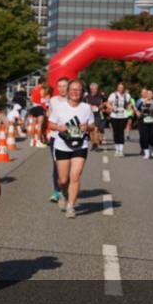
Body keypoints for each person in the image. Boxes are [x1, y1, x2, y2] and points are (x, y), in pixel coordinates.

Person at [47, 79, 94, 218]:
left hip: (80, 145)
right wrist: (59, 127)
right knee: (63, 180)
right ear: (68, 92)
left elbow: (92, 125)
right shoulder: (60, 107)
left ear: (82, 92)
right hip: (62, 145)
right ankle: (62, 193)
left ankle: (71, 206)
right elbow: (51, 124)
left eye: (78, 90)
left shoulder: (86, 107)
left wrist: (87, 127)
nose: (75, 92)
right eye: (72, 89)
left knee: (75, 176)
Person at [46, 77, 69, 202]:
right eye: (59, 86)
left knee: (68, 166)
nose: (61, 88)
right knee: (56, 165)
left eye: (64, 86)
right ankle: (56, 191)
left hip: (70, 139)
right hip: (55, 138)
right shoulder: (53, 100)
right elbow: (49, 115)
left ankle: (66, 189)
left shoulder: (73, 101)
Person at [107, 82, 133, 158]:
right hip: (114, 116)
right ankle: (117, 150)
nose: (121, 89)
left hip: (123, 116)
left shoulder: (127, 95)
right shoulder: (113, 95)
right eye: (119, 88)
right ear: (117, 88)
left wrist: (129, 107)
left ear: (124, 88)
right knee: (116, 132)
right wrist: (112, 108)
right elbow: (107, 103)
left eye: (122, 88)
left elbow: (130, 104)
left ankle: (121, 151)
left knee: (121, 132)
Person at [136, 88, 153, 159]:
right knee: (144, 137)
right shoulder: (142, 102)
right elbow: (137, 109)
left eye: (150, 94)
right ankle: (146, 153)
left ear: (152, 95)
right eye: (147, 94)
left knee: (151, 138)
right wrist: (138, 113)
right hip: (143, 122)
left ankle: (152, 148)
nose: (148, 95)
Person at [84, 82, 105, 152]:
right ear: (90, 89)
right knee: (91, 131)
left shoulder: (100, 96)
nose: (94, 90)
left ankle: (96, 145)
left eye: (95, 89)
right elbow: (84, 104)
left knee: (95, 129)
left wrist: (101, 106)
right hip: (89, 115)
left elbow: (105, 103)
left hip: (97, 115)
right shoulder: (87, 96)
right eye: (92, 89)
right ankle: (93, 144)